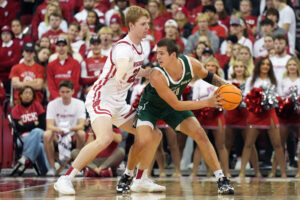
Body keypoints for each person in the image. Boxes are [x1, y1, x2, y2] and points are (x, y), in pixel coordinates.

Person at [54, 6, 163, 195]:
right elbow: (122, 65)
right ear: (131, 25)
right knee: (104, 138)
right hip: (100, 99)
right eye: (143, 24)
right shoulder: (123, 48)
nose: (148, 27)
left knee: (154, 134)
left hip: (119, 103)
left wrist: (151, 73)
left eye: (148, 23)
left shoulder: (140, 48)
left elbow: (133, 70)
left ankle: (141, 179)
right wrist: (121, 75)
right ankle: (65, 178)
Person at [126, 38, 234, 194]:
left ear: (173, 55)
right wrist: (207, 102)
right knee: (143, 141)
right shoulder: (157, 74)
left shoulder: (191, 64)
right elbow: (177, 104)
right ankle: (128, 175)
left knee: (200, 135)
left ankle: (221, 179)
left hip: (172, 106)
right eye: (157, 53)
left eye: (162, 54)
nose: (158, 57)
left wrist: (227, 86)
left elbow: (208, 76)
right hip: (151, 106)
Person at [239, 57, 286, 178]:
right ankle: (243, 172)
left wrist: (270, 100)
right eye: (263, 64)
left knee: (277, 144)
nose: (265, 66)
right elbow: (245, 97)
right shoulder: (251, 80)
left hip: (270, 114)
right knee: (249, 144)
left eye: (267, 64)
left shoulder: (274, 80)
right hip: (255, 114)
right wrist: (255, 100)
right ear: (258, 65)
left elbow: (280, 96)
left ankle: (282, 173)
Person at [44, 80, 86, 176]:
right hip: (57, 133)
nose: (65, 94)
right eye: (62, 92)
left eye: (67, 92)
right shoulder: (52, 104)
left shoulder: (79, 103)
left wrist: (69, 129)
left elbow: (81, 126)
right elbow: (49, 126)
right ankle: (52, 167)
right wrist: (58, 130)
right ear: (59, 92)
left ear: (73, 91)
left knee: (81, 133)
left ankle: (76, 167)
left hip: (72, 133)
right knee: (46, 134)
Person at [11, 86, 49, 175]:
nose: (28, 95)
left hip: (39, 135)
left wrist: (26, 125)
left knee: (37, 131)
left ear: (33, 96)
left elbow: (43, 125)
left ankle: (25, 157)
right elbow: (19, 128)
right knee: (39, 145)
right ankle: (46, 172)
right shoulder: (16, 109)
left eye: (30, 93)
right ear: (20, 95)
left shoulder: (37, 106)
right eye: (25, 93)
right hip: (22, 138)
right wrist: (34, 123)